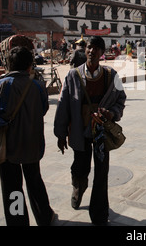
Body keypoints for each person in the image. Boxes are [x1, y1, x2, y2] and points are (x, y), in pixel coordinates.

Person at [0, 46, 55, 226]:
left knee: (13, 189)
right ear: (29, 66)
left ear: (7, 65)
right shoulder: (39, 87)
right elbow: (42, 110)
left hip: (7, 149)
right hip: (32, 145)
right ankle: (45, 218)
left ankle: (18, 222)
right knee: (35, 182)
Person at [54, 36, 126, 225]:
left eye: (95, 48)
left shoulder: (112, 75)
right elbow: (63, 106)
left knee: (101, 173)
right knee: (80, 167)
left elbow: (121, 99)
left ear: (102, 53)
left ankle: (99, 214)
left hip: (101, 133)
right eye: (88, 48)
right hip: (80, 131)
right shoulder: (72, 76)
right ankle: (78, 186)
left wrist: (112, 113)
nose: (91, 51)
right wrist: (61, 134)